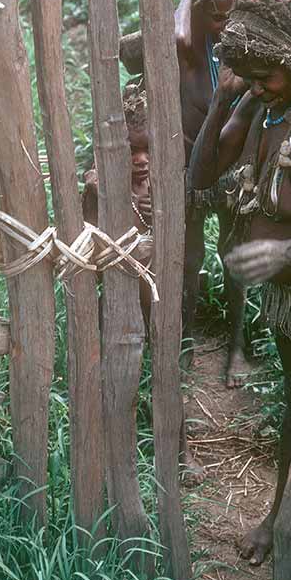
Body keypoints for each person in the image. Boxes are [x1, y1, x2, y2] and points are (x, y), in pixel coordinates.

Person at [189, 0, 291, 564]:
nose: (255, 85)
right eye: (246, 75)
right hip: (287, 301)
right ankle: (290, 516)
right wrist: (222, 101)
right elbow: (201, 175)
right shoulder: (258, 108)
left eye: (265, 75)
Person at [120, 0, 254, 387]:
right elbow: (126, 51)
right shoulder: (178, 45)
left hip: (236, 172)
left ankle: (237, 349)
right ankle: (186, 342)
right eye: (215, 6)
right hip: (187, 169)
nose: (225, 15)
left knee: (236, 260)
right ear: (196, 5)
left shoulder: (246, 45)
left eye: (233, 6)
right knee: (187, 258)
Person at [82, 80, 205, 481]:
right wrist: (99, 197)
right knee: (118, 377)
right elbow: (89, 242)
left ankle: (182, 453)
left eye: (147, 149)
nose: (140, 159)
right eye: (132, 149)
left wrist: (165, 208)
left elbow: (183, 247)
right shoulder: (102, 184)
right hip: (119, 300)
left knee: (167, 373)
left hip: (159, 299)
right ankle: (117, 451)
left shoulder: (169, 182)